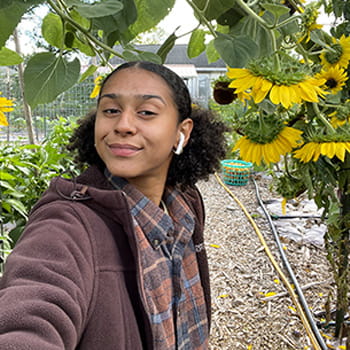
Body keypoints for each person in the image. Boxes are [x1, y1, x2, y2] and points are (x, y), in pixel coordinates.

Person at [0, 61, 229, 349]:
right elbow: (30, 315)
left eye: (146, 112)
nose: (122, 125)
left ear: (181, 133)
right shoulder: (67, 227)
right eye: (110, 111)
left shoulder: (185, 204)